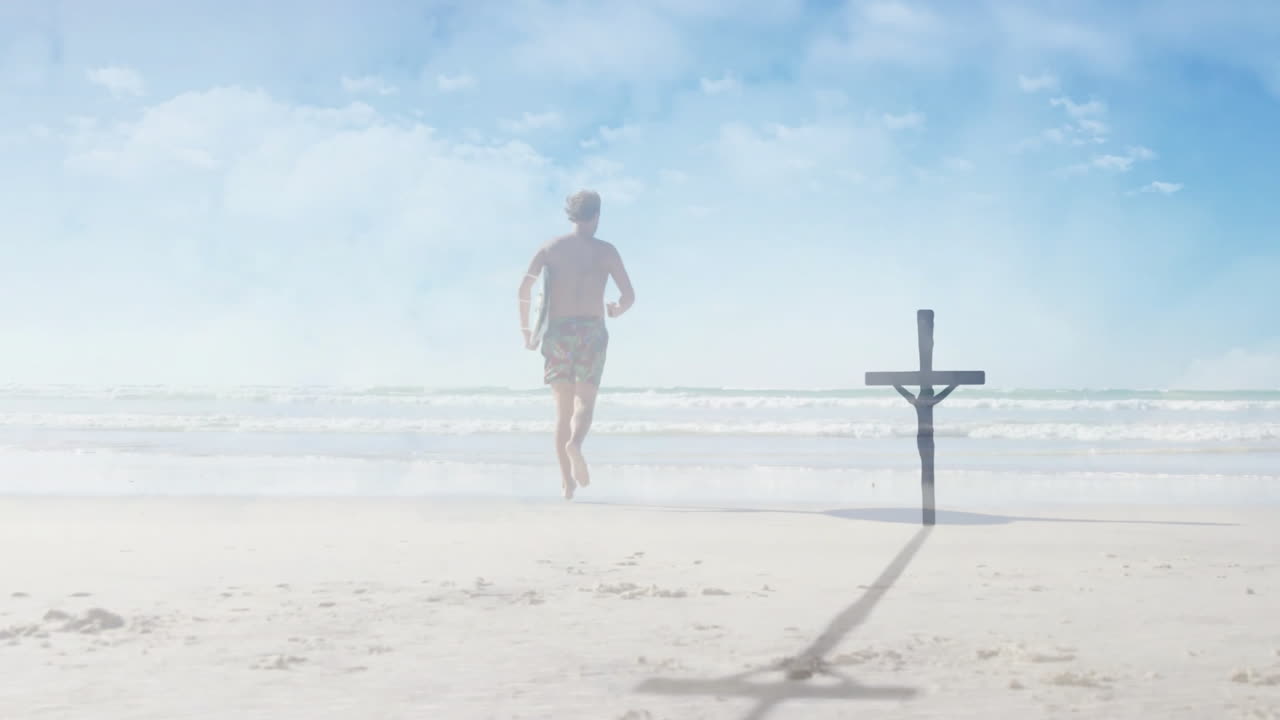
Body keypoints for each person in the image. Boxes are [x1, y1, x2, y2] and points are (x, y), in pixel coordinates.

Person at [517, 190, 635, 499]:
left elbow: (524, 289)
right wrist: (616, 309)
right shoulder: (607, 251)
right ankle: (576, 445)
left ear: (571, 215)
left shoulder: (550, 248)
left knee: (562, 411)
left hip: (557, 332)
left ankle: (567, 482)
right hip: (591, 332)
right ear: (596, 216)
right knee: (585, 403)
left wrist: (526, 331)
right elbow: (629, 297)